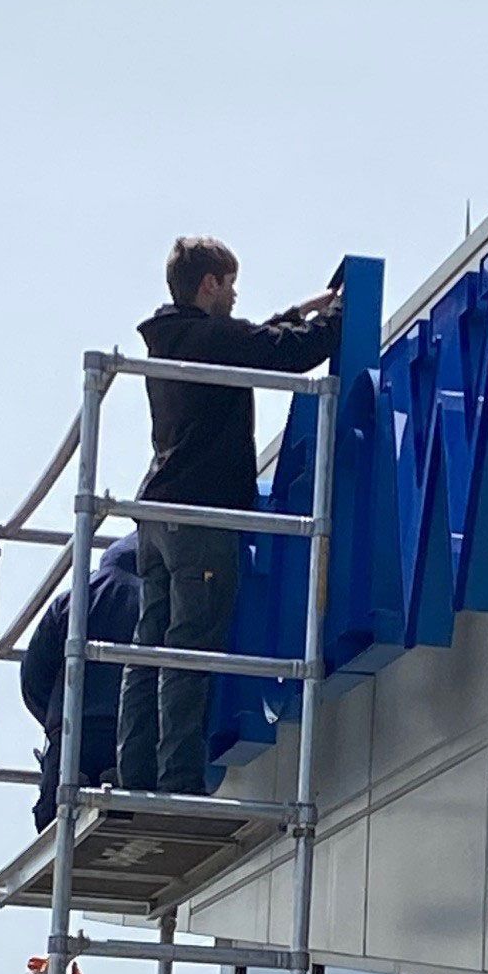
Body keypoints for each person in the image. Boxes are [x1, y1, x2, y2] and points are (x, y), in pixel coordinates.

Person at [115, 236, 341, 796]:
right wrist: (337, 316)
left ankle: (136, 776)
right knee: (190, 646)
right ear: (210, 284)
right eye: (230, 283)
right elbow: (283, 351)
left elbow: (253, 339)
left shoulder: (172, 341)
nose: (235, 293)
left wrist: (301, 309)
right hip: (201, 514)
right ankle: (178, 781)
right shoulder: (209, 337)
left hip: (158, 512)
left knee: (148, 649)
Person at [20, 534, 143, 831]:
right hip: (130, 730)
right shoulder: (158, 600)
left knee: (55, 827)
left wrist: (54, 718)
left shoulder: (72, 598)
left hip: (72, 729)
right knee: (122, 829)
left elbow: (34, 677)